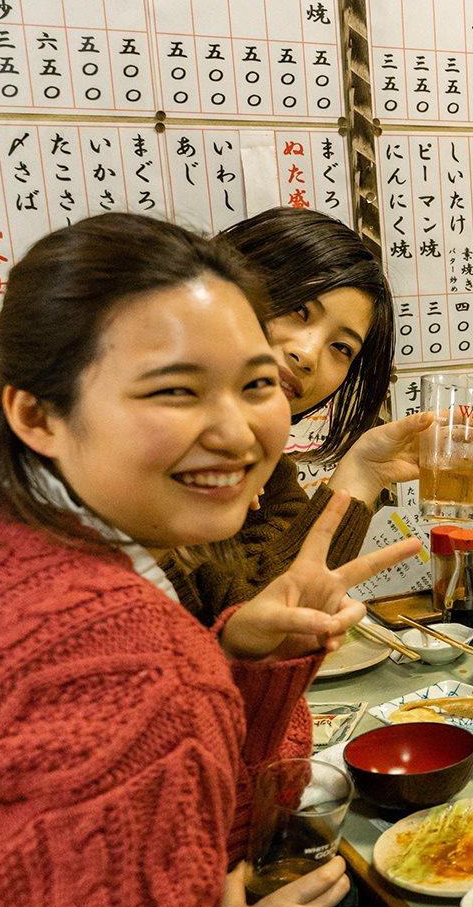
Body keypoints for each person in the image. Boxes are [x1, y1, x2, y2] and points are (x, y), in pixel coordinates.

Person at [0, 214, 417, 907]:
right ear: (36, 412)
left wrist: (245, 657)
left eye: (256, 387)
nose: (238, 427)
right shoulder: (122, 665)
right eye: (174, 390)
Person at [173, 207, 420, 622]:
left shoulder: (270, 477)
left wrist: (362, 473)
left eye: (342, 348)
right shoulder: (124, 444)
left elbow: (264, 620)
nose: (306, 355)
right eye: (299, 311)